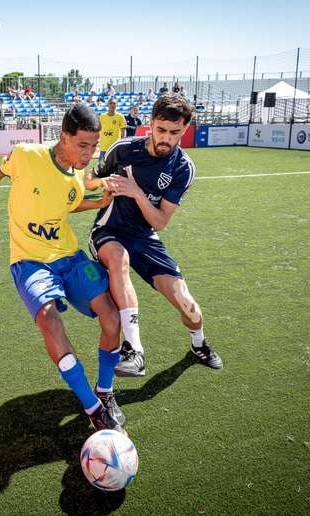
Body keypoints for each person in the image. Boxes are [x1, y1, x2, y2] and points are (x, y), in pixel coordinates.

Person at [0, 104, 125, 433]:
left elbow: (68, 202)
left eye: (94, 147)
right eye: (83, 145)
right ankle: (92, 408)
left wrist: (98, 202)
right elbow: (0, 171)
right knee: (49, 319)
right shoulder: (26, 155)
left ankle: (104, 393)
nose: (90, 154)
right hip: (29, 261)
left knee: (112, 315)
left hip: (69, 256)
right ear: (64, 137)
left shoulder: (79, 175)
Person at [85, 93, 222, 376]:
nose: (166, 138)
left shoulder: (183, 168)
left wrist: (136, 193)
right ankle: (135, 351)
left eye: (174, 133)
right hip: (109, 230)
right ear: (150, 124)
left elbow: (159, 222)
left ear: (184, 130)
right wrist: (103, 182)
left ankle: (199, 344)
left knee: (189, 307)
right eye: (160, 130)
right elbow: (88, 179)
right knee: (119, 259)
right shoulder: (122, 150)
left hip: (145, 237)